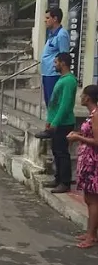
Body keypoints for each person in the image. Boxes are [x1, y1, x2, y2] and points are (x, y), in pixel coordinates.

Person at [39, 52, 77, 193]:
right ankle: (58, 178)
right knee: (56, 151)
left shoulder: (69, 81)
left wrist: (56, 122)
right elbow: (54, 104)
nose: (54, 65)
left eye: (56, 62)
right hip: (56, 122)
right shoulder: (62, 79)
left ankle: (65, 182)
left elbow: (65, 105)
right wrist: (49, 121)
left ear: (63, 63)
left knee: (62, 152)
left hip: (64, 123)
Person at [67, 85, 98, 248]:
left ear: (88, 98)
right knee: (88, 198)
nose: (81, 98)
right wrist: (79, 135)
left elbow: (97, 141)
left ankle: (92, 236)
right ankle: (90, 232)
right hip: (87, 160)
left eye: (83, 95)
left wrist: (79, 138)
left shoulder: (96, 116)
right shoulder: (91, 115)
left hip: (93, 162)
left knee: (93, 200)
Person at [41, 8, 70, 105]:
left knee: (54, 103)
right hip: (47, 73)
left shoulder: (62, 35)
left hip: (54, 74)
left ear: (55, 19)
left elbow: (64, 56)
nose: (45, 20)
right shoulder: (51, 34)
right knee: (48, 102)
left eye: (48, 18)